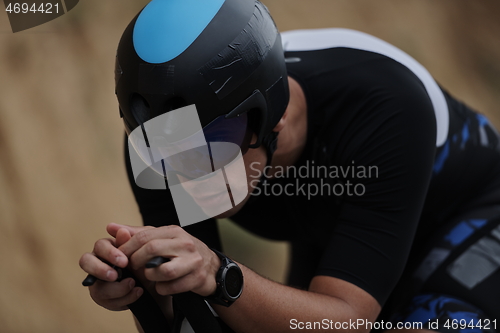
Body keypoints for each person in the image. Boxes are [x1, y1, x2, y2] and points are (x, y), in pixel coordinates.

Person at [79, 0, 500, 332]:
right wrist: (143, 291)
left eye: (211, 148)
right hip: (340, 229)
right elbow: (195, 316)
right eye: (166, 153)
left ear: (272, 117)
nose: (187, 177)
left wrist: (218, 271)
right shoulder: (158, 141)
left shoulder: (386, 105)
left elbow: (345, 321)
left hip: (472, 216)